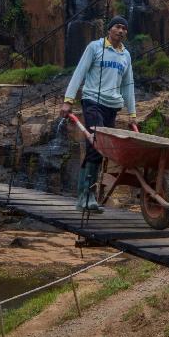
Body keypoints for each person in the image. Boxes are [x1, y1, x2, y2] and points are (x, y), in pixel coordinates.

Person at [61, 16, 138, 212]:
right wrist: (68, 100)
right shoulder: (95, 47)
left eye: (124, 28)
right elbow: (79, 72)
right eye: (117, 27)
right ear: (109, 29)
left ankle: (87, 196)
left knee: (101, 149)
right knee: (96, 143)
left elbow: (128, 85)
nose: (120, 31)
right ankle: (85, 197)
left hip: (112, 106)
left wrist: (133, 114)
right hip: (92, 101)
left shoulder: (126, 56)